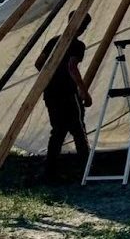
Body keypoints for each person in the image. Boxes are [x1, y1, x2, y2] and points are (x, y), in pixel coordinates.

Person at [35, 11, 94, 181]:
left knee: (58, 130)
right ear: (83, 27)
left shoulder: (54, 41)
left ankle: (50, 171)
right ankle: (86, 169)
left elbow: (39, 63)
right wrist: (84, 91)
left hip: (51, 92)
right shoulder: (77, 45)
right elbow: (72, 67)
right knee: (78, 129)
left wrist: (51, 76)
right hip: (68, 92)